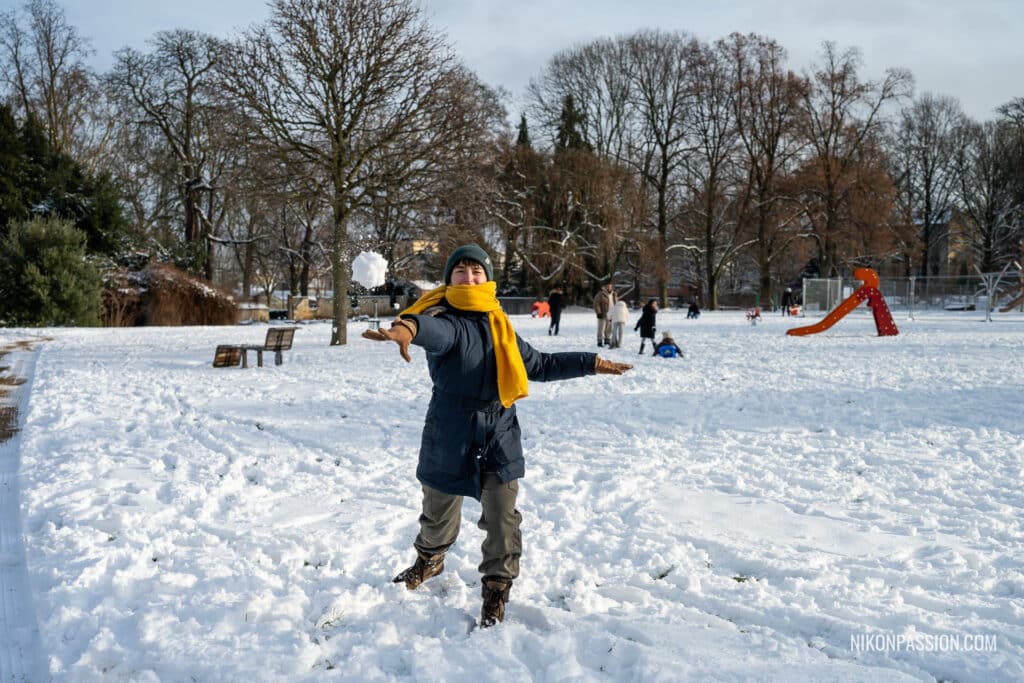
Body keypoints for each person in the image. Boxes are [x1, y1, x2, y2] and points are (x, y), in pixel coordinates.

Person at [362, 244, 633, 628]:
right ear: (449, 279)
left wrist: (590, 362)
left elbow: (539, 364)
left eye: (477, 272)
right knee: (437, 516)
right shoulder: (442, 314)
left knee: (502, 518)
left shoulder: (499, 324)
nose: (469, 278)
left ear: (488, 279)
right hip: (450, 429)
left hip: (499, 431)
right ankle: (430, 560)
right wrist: (405, 328)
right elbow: (431, 330)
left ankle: (496, 589)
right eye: (461, 272)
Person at [593, 283, 617, 347]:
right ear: (605, 287)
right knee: (601, 328)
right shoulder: (600, 294)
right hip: (603, 313)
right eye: (608, 287)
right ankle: (600, 341)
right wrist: (599, 312)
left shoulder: (614, 294)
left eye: (610, 286)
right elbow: (596, 303)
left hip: (611, 313)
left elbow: (616, 304)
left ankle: (607, 339)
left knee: (609, 328)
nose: (609, 288)